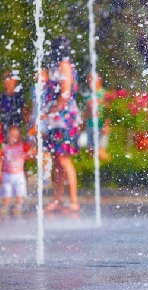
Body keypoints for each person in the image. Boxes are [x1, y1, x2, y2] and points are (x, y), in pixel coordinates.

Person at [43, 36, 81, 214]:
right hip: (57, 118)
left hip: (64, 118)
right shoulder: (58, 66)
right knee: (57, 160)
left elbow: (65, 95)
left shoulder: (65, 65)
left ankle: (73, 200)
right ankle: (57, 199)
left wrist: (50, 112)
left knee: (64, 159)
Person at [27, 67, 52, 186]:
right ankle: (41, 170)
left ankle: (46, 174)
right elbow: (33, 106)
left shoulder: (49, 89)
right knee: (32, 148)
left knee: (44, 148)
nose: (38, 76)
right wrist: (31, 119)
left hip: (44, 121)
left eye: (41, 74)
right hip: (35, 120)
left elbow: (49, 105)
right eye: (37, 74)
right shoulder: (33, 88)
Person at [0, 126, 31, 216]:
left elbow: (31, 153)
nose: (14, 138)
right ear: (8, 136)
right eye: (12, 135)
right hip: (7, 174)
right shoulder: (5, 148)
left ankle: (18, 206)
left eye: (16, 136)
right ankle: (5, 206)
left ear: (19, 137)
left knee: (19, 191)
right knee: (6, 191)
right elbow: (1, 160)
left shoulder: (22, 146)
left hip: (19, 174)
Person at [83, 72, 110, 160]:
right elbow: (86, 113)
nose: (90, 82)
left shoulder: (105, 94)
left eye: (92, 79)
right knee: (90, 151)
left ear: (100, 80)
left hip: (100, 126)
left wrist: (106, 125)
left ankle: (109, 169)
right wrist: (83, 124)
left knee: (100, 151)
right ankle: (90, 171)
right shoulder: (88, 96)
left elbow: (109, 112)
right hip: (90, 126)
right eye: (89, 80)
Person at [1, 70, 26, 140]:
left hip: (16, 125)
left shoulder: (19, 94)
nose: (6, 80)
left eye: (8, 77)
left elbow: (24, 109)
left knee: (16, 143)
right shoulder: (2, 96)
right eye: (4, 78)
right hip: (5, 125)